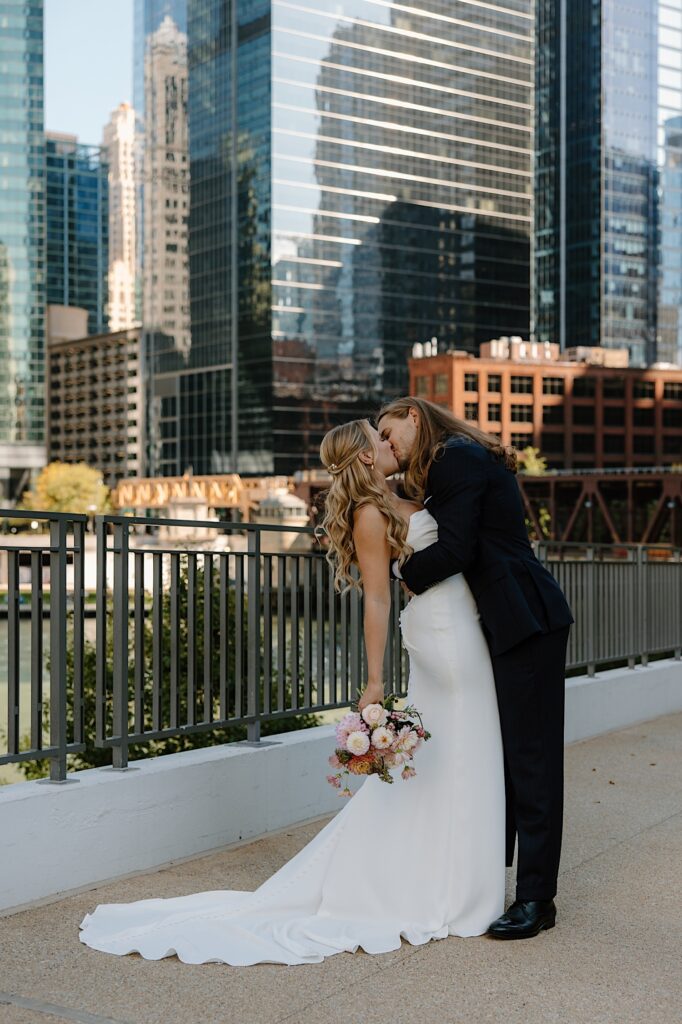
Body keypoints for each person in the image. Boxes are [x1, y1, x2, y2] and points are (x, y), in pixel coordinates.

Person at [79, 418, 506, 966]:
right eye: (377, 439)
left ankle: (455, 881)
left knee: (457, 759)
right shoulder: (370, 514)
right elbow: (377, 600)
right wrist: (374, 682)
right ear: (363, 458)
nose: (386, 441)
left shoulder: (399, 497)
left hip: (455, 624)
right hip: (442, 638)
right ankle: (451, 891)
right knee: (464, 752)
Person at [377, 397, 573, 940]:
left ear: (414, 416)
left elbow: (457, 550)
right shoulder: (449, 463)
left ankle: (538, 900)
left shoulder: (455, 458)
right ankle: (507, 876)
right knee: (513, 758)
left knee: (531, 762)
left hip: (524, 618)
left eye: (389, 433)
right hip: (510, 620)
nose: (387, 444)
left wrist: (404, 574)